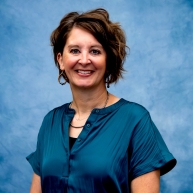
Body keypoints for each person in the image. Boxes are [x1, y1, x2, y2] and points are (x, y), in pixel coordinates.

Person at [26, 8, 176, 193]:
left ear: (109, 60)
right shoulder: (50, 121)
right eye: (74, 50)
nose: (84, 59)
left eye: (95, 51)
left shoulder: (135, 120)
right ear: (61, 60)